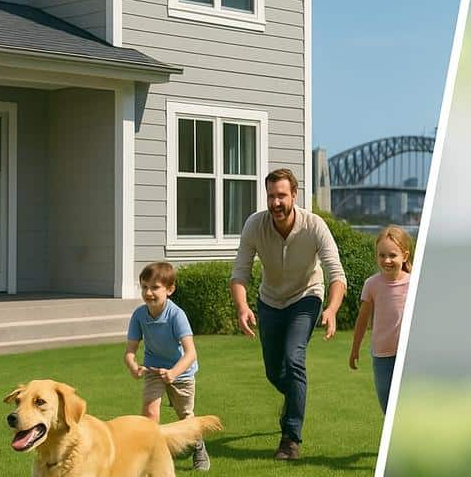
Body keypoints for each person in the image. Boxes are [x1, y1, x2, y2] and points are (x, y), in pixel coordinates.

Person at [229, 168, 347, 460]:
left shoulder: (314, 225)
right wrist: (242, 307)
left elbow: (336, 274)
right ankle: (294, 397)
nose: (276, 203)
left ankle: (290, 439)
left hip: (306, 297)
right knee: (274, 371)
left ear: (294, 195)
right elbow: (240, 273)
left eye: (281, 195)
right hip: (269, 301)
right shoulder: (254, 225)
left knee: (294, 360)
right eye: (271, 196)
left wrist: (331, 309)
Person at [123, 262, 210, 471]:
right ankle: (149, 458)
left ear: (170, 290)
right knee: (150, 415)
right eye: (144, 287)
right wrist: (133, 366)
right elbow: (130, 351)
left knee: (185, 415)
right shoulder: (139, 315)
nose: (148, 293)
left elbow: (191, 354)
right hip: (153, 370)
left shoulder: (176, 315)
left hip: (182, 371)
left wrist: (173, 373)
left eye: (155, 287)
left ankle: (198, 447)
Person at [350, 225, 413, 413]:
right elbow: (362, 320)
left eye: (392, 255)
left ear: (405, 256)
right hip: (382, 356)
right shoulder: (372, 284)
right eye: (382, 255)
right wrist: (354, 350)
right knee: (388, 407)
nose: (387, 260)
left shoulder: (414, 282)